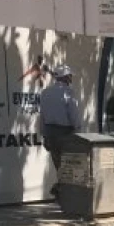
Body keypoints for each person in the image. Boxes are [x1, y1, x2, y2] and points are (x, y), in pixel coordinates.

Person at [39, 64, 82, 198]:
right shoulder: (68, 92)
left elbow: (42, 117)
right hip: (66, 134)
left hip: (51, 134)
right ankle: (67, 193)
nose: (71, 78)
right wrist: (77, 129)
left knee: (59, 165)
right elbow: (73, 114)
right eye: (70, 76)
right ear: (66, 77)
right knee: (71, 166)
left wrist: (45, 136)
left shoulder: (45, 93)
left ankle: (62, 192)